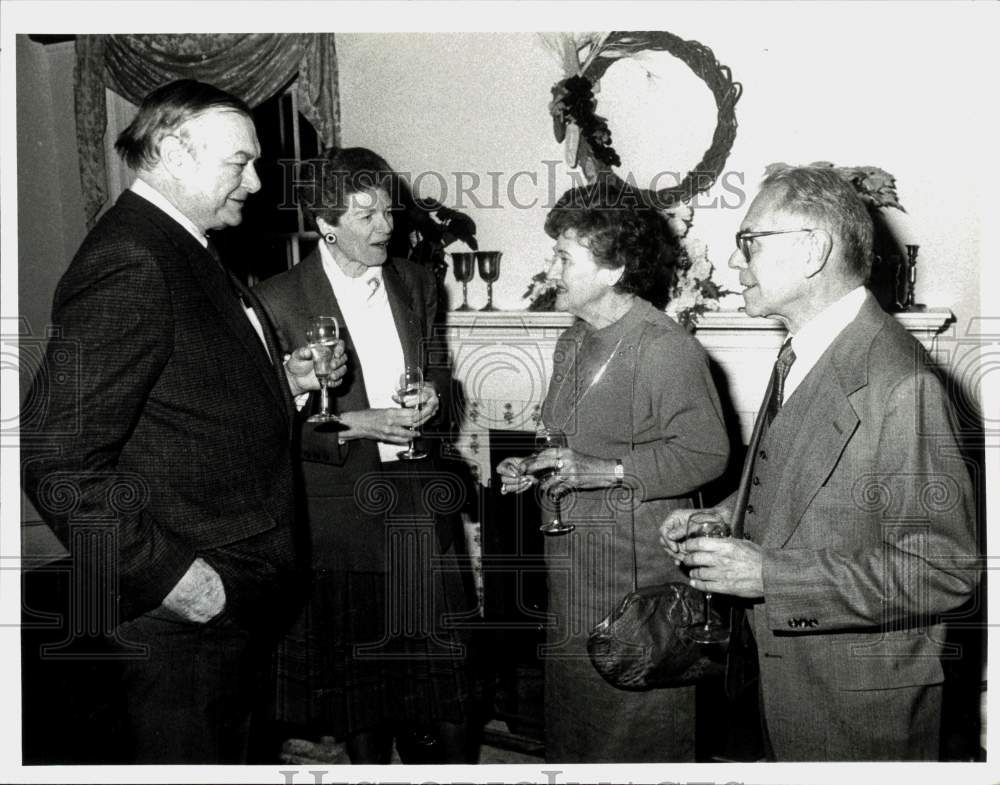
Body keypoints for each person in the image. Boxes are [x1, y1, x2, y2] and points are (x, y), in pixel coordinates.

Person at [20, 79, 346, 764]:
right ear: (170, 150)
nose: (256, 182)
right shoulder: (132, 258)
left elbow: (184, 398)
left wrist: (281, 383)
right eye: (240, 162)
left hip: (225, 608)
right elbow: (55, 455)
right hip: (185, 614)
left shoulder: (184, 244)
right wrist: (173, 577)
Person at [660, 166, 978, 760]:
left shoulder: (898, 382)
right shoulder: (801, 352)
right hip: (789, 686)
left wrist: (770, 576)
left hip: (857, 710)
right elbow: (805, 479)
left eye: (748, 242)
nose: (736, 264)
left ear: (812, 250)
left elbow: (944, 570)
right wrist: (728, 516)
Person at [254, 147, 475, 764]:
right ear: (326, 223)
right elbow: (262, 426)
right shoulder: (276, 300)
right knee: (364, 694)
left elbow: (438, 369)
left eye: (389, 211)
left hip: (421, 499)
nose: (387, 226)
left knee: (446, 679)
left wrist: (436, 393)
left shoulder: (416, 281)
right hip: (342, 512)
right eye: (366, 214)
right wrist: (356, 423)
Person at [497, 180, 729, 762]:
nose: (550, 267)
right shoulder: (574, 341)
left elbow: (707, 453)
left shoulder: (664, 348)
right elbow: (569, 440)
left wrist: (606, 469)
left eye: (563, 256)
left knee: (636, 730)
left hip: (633, 578)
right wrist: (531, 465)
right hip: (573, 570)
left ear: (613, 269)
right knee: (578, 729)